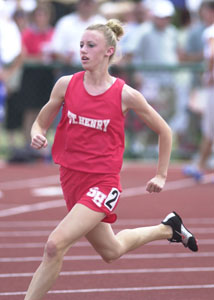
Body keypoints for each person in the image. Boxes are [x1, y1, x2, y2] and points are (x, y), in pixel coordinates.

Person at [25, 19, 198, 300]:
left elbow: (164, 130)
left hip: (102, 183)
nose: (83, 51)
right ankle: (169, 229)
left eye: (91, 46)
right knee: (111, 251)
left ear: (109, 51)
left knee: (54, 245)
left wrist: (161, 174)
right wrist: (37, 134)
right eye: (81, 45)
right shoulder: (65, 85)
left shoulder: (125, 94)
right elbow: (39, 123)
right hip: (71, 179)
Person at [183, 1, 214, 181]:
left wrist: (210, 73)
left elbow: (212, 53)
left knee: (209, 127)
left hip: (213, 86)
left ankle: (199, 165)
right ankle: (200, 164)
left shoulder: (210, 31)